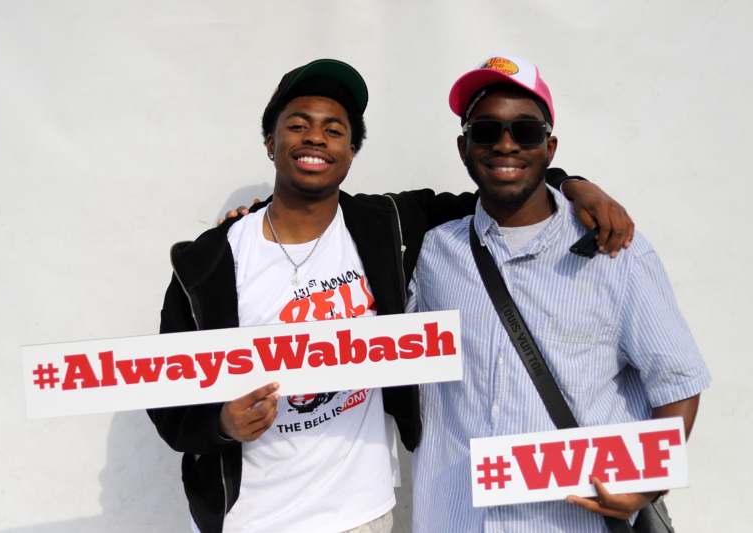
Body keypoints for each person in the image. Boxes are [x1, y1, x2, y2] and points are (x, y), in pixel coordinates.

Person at [147, 58, 633, 533]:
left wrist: (573, 185)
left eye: (335, 130)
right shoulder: (207, 263)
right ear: (270, 142)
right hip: (248, 518)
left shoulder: (388, 226)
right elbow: (165, 399)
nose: (315, 137)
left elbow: (502, 189)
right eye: (297, 125)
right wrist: (221, 424)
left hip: (364, 513)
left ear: (352, 151)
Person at [408, 55, 711, 533]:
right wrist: (254, 219)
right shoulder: (433, 251)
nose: (506, 144)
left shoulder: (617, 249)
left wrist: (646, 484)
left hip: (574, 521)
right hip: (457, 517)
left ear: (549, 148)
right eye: (487, 131)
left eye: (525, 132)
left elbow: (677, 383)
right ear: (464, 147)